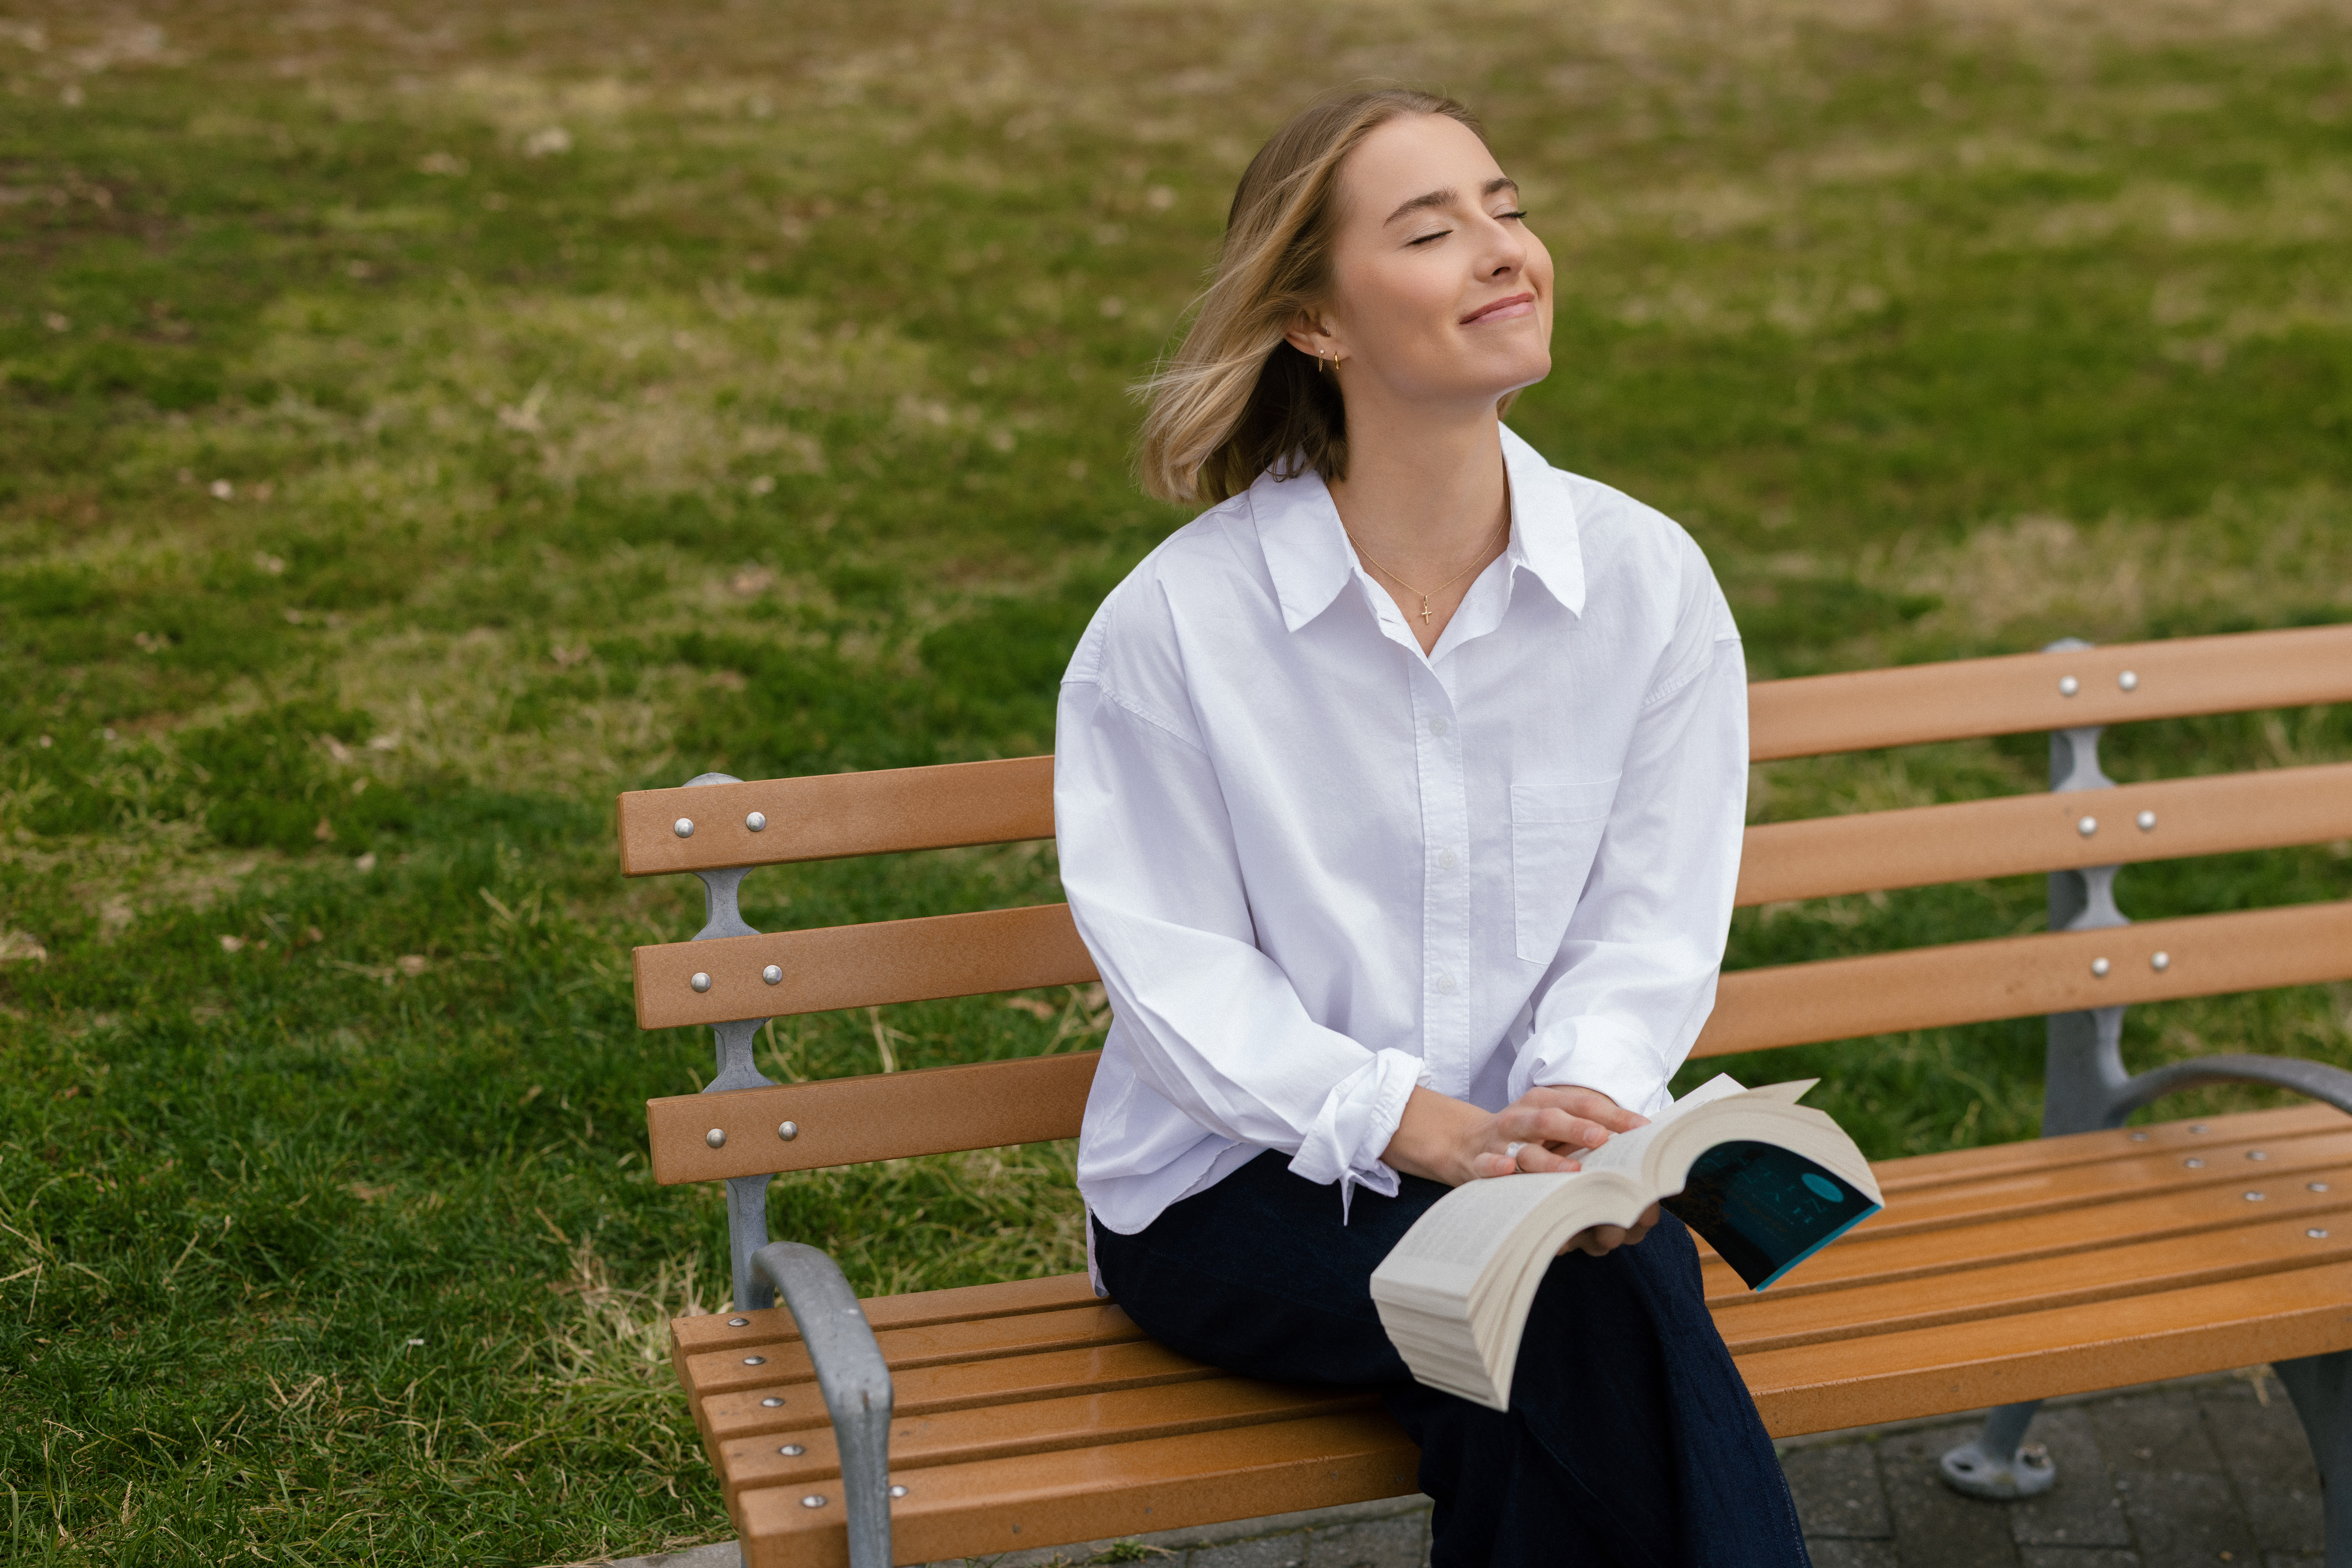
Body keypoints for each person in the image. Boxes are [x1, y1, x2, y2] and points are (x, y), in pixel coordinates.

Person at [1052, 88, 1809, 1567]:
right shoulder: (1179, 630)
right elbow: (1184, 982)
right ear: (1316, 322)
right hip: (1240, 1191)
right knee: (1574, 1301)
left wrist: (1581, 1107)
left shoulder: (1648, 583)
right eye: (1429, 228)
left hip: (1534, 1163)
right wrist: (1441, 1135)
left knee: (1536, 1328)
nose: (1502, 250)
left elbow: (1648, 924)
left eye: (1507, 208)